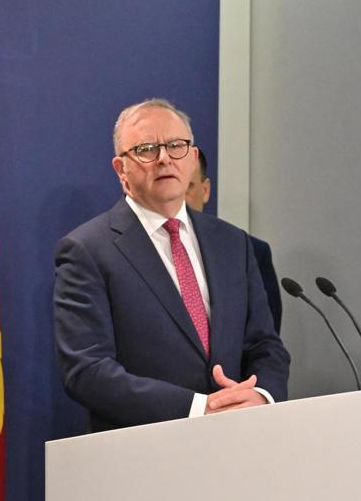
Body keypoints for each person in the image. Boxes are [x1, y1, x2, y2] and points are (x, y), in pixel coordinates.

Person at [52, 99, 289, 431]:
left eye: (176, 146)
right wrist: (198, 407)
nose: (164, 158)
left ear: (192, 159)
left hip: (238, 441)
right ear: (121, 170)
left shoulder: (233, 243)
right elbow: (87, 370)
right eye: (147, 149)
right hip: (143, 451)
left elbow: (265, 344)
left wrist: (262, 395)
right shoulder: (87, 250)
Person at [185, 150, 283, 332]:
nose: (178, 197)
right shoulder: (141, 252)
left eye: (187, 187)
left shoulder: (251, 252)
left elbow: (266, 340)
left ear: (205, 190)